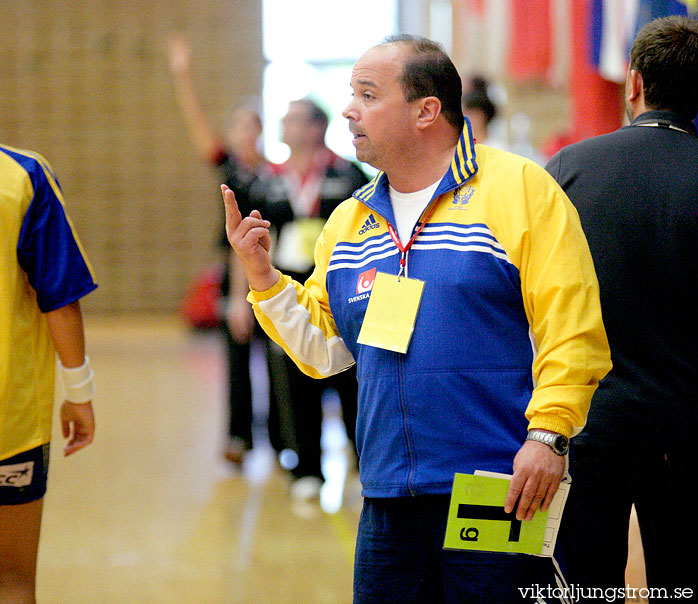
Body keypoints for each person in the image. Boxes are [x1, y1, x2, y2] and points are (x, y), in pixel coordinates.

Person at [222, 34, 611, 602]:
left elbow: (572, 328)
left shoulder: (521, 190)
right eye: (350, 95)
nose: (350, 110)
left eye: (369, 95)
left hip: (500, 488)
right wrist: (262, 277)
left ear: (427, 110)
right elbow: (323, 349)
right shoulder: (351, 221)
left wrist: (549, 436)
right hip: (386, 500)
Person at [545, 16, 698, 601]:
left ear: (631, 83)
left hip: (588, 425)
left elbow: (533, 298)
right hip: (686, 430)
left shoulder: (569, 168)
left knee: (583, 584)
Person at [167, 33, 284, 466]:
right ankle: (238, 439)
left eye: (252, 125)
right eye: (238, 125)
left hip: (271, 275)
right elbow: (197, 125)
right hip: (230, 274)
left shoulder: (276, 173)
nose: (245, 132)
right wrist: (182, 74)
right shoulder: (228, 166)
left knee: (276, 358)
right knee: (236, 358)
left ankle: (279, 437)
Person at [245, 98, 368, 500]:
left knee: (350, 374)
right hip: (283, 283)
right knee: (292, 373)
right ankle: (307, 467)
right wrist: (237, 297)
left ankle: (362, 457)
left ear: (317, 127)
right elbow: (243, 244)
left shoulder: (348, 174)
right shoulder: (265, 179)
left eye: (294, 117)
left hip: (341, 286)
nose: (283, 123)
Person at [1, 144, 97, 603]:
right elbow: (58, 292)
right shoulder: (21, 175)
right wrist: (79, 391)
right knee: (13, 583)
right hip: (11, 417)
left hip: (14, 417)